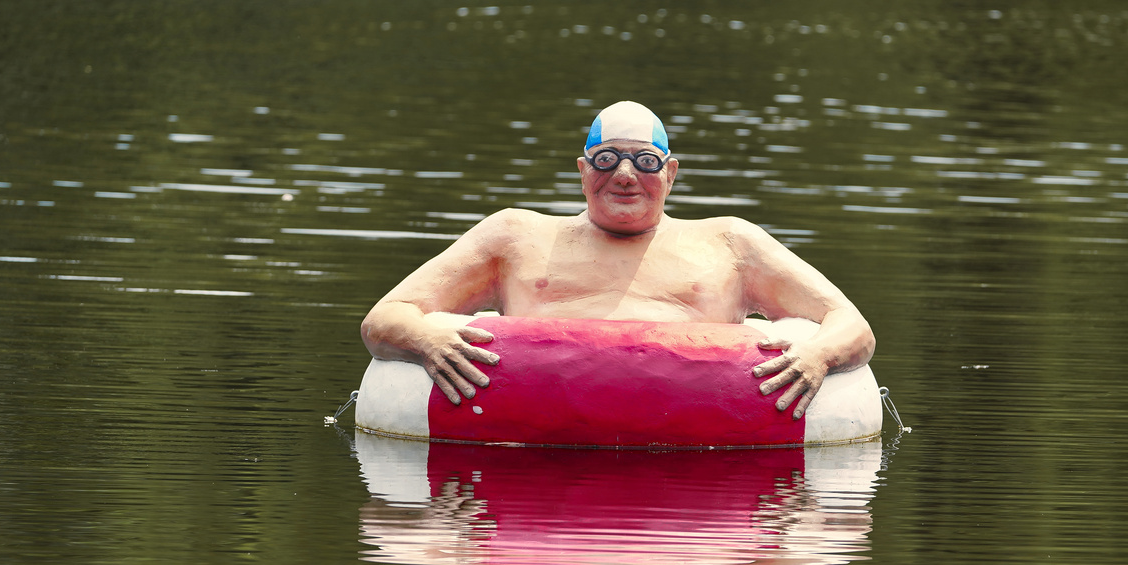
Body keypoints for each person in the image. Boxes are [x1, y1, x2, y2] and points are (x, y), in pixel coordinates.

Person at [359, 100, 875, 420]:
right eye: (607, 160)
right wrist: (428, 340)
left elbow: (851, 324)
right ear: (583, 170)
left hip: (707, 449)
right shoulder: (515, 235)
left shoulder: (730, 243)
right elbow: (385, 318)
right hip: (521, 440)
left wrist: (816, 357)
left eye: (645, 163)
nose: (625, 175)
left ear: (671, 173)